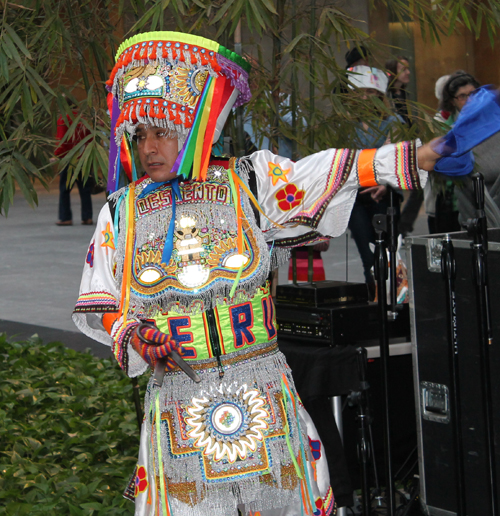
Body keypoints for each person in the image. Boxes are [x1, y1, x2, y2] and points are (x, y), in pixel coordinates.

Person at [72, 31, 445, 516]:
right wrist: (139, 336)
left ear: (193, 130)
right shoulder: (120, 213)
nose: (149, 147)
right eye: (140, 134)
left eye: (162, 131)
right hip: (178, 399)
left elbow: (327, 171)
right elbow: (101, 302)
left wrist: (413, 157)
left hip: (263, 384)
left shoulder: (249, 181)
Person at [345, 65, 404, 298]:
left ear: (380, 95)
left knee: (389, 252)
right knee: (367, 255)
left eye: (370, 91)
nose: (365, 97)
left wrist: (386, 182)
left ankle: (393, 302)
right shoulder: (344, 124)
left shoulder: (392, 121)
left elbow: (396, 157)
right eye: (360, 91)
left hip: (384, 192)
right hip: (356, 195)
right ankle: (375, 302)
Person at [426, 71, 480, 233]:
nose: (469, 100)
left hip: (485, 195)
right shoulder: (442, 124)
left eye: (473, 94)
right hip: (452, 199)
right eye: (462, 96)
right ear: (452, 101)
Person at [54, 109, 93, 226]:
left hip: (68, 158)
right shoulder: (83, 118)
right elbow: (90, 137)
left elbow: (62, 139)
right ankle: (87, 217)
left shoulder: (64, 118)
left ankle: (65, 217)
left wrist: (57, 154)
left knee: (65, 190)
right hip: (83, 157)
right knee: (85, 189)